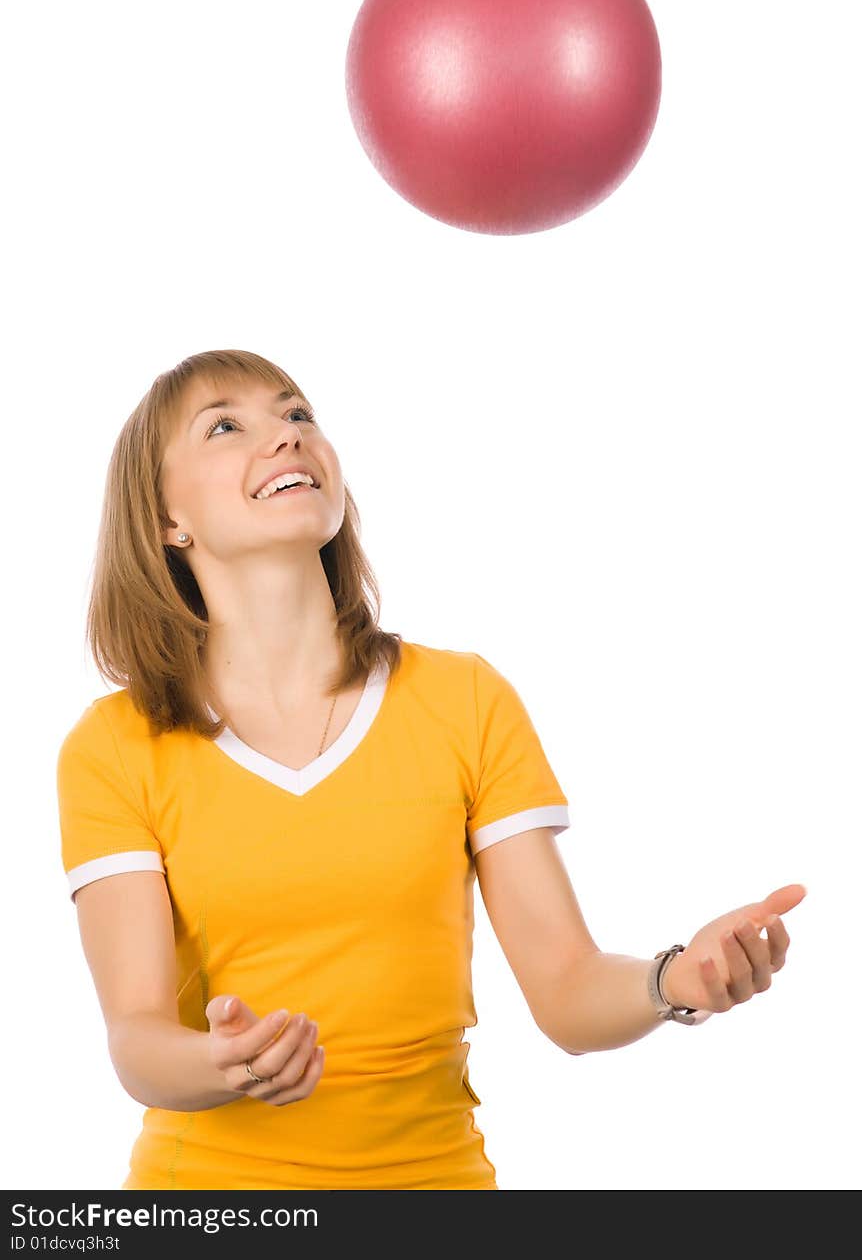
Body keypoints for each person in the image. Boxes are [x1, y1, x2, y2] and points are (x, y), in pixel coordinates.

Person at [56, 348, 806, 1191]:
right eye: (227, 426)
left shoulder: (464, 700)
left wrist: (677, 981)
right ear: (165, 521)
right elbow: (138, 1042)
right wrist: (221, 1059)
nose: (286, 437)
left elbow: (568, 993)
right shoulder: (114, 746)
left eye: (298, 415)